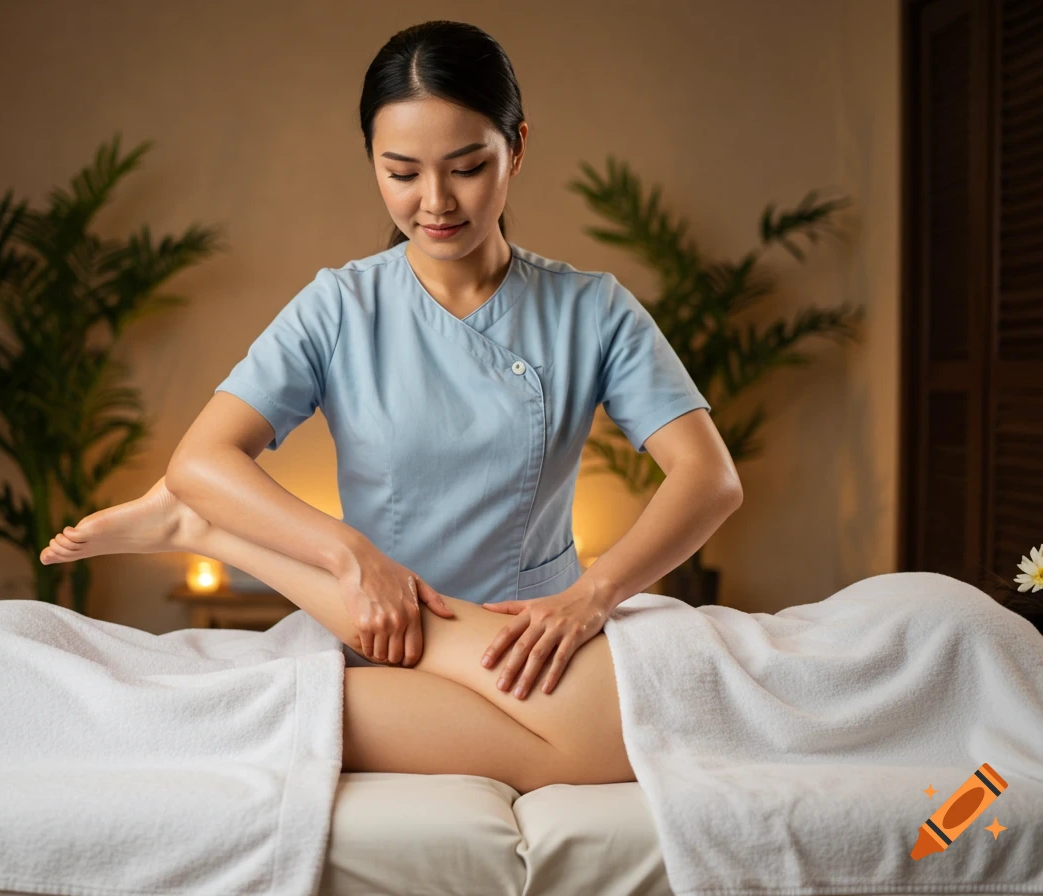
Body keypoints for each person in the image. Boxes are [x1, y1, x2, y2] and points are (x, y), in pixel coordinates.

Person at [39, 19, 747, 794]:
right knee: (588, 752)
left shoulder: (591, 309)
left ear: (516, 146)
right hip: (378, 632)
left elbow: (708, 478)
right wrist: (353, 554)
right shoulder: (340, 306)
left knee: (596, 744)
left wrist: (593, 595)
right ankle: (198, 528)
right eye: (401, 172)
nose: (435, 202)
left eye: (467, 167)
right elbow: (201, 460)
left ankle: (198, 530)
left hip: (537, 647)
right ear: (372, 163)